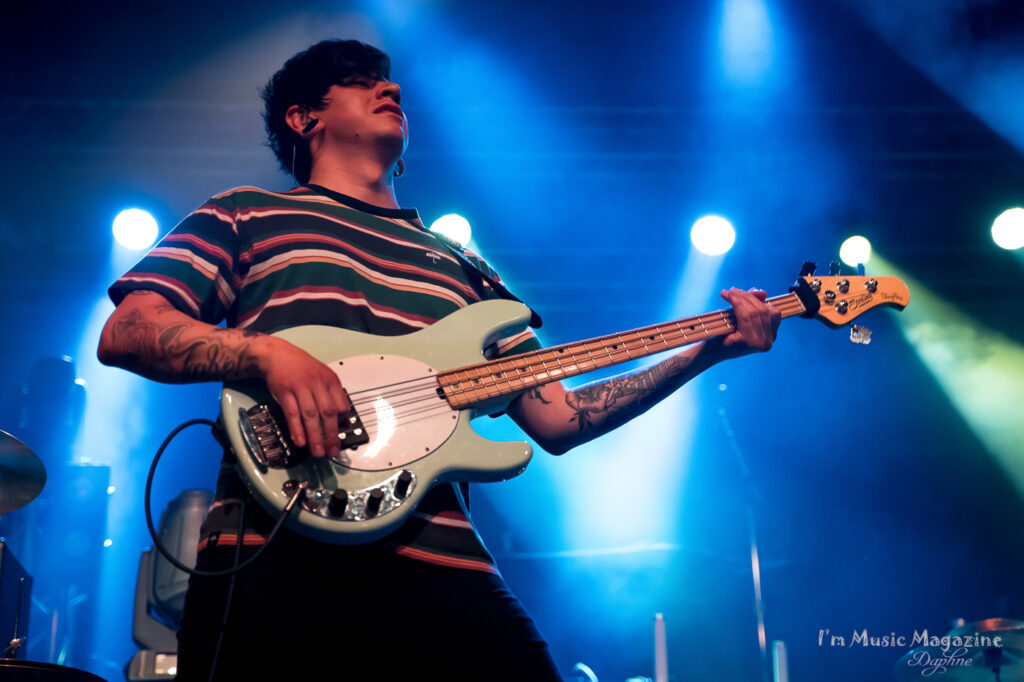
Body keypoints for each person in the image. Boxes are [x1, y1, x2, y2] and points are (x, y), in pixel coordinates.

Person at [97, 39, 780, 681]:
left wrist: (707, 352)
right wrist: (269, 353)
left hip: (439, 562)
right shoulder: (247, 214)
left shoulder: (463, 268)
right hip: (272, 542)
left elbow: (561, 418)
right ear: (304, 119)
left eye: (390, 82)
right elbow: (129, 329)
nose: (390, 89)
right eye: (360, 83)